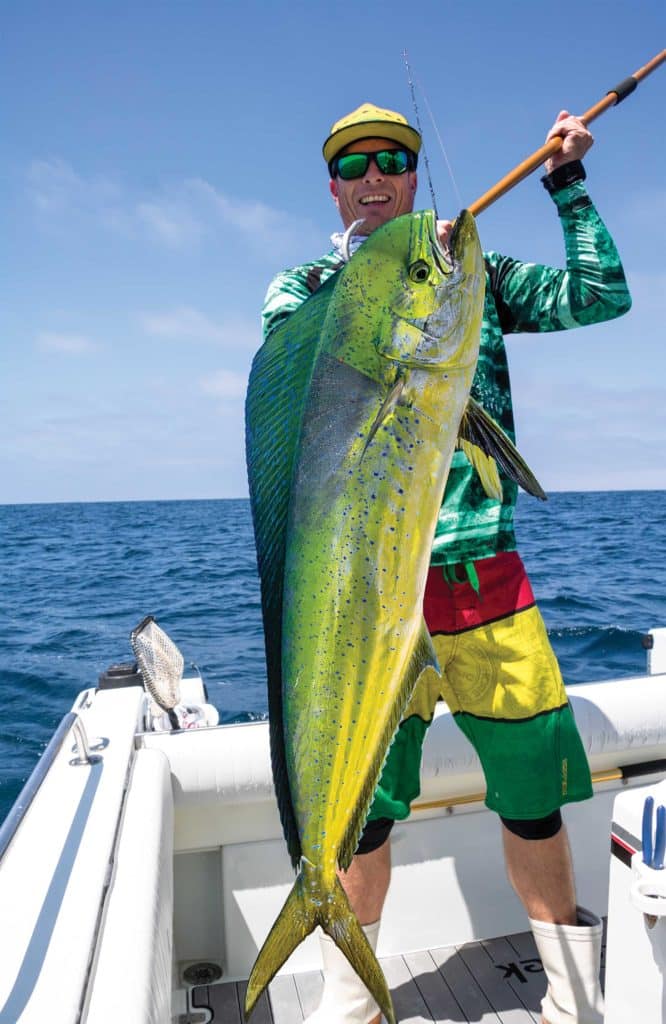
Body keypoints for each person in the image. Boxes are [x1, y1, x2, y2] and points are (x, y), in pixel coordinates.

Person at [261, 102, 631, 1024]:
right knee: (366, 812)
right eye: (355, 167)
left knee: (533, 794)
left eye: (392, 160)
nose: (374, 178)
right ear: (334, 186)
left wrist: (567, 181)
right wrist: (364, 289)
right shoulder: (304, 287)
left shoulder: (472, 269)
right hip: (366, 596)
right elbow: (286, 375)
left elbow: (601, 295)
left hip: (484, 578)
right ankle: (349, 1002)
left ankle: (573, 996)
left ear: (415, 176)